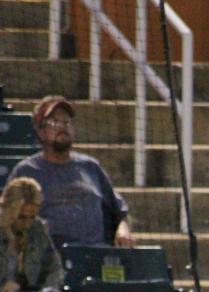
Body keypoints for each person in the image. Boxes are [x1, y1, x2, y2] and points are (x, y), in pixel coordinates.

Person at [8, 96, 134, 251]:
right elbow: (7, 221)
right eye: (54, 122)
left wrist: (123, 230)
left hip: (95, 257)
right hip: (48, 262)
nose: (63, 127)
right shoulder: (26, 171)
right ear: (40, 133)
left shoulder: (90, 167)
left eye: (67, 122)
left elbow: (119, 212)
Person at [0, 177, 63, 292]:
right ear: (6, 209)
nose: (28, 224)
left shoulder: (38, 228)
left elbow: (54, 268)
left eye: (32, 217)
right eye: (22, 217)